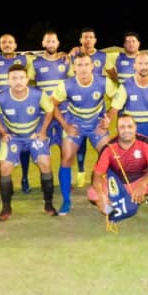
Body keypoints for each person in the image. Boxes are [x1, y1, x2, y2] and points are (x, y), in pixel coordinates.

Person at [0, 65, 58, 220]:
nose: (18, 81)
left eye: (21, 78)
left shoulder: (38, 94)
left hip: (33, 136)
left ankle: (48, 204)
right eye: (14, 78)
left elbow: (50, 110)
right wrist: (3, 132)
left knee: (45, 163)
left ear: (27, 79)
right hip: (13, 137)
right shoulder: (0, 97)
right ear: (8, 80)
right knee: (5, 167)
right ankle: (6, 207)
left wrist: (43, 131)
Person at [51, 53, 117, 215]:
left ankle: (108, 195)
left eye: (87, 65)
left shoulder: (104, 82)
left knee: (110, 157)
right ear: (74, 68)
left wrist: (107, 119)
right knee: (66, 158)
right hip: (75, 125)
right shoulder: (66, 84)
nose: (83, 69)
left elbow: (117, 100)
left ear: (92, 66)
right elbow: (52, 105)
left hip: (96, 125)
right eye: (79, 65)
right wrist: (65, 125)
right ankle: (66, 201)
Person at [105, 51, 148, 199]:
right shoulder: (126, 86)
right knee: (130, 162)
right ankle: (123, 190)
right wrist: (107, 121)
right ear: (135, 66)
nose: (144, 66)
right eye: (140, 63)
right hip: (131, 130)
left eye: (147, 63)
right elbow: (114, 108)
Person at [87, 114, 148, 232]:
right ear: (117, 129)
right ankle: (115, 212)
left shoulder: (145, 142)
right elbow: (97, 174)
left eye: (130, 126)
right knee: (93, 193)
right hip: (118, 183)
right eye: (122, 127)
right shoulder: (109, 147)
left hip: (140, 179)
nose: (126, 130)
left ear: (135, 128)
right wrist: (102, 196)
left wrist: (143, 183)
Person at [0, 33, 35, 193]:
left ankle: (25, 177)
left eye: (10, 42)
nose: (7, 44)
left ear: (15, 45)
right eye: (3, 42)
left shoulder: (24, 59)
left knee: (23, 145)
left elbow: (47, 58)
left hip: (20, 110)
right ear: (0, 45)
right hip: (0, 112)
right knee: (0, 147)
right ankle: (3, 179)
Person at [69, 27, 109, 187]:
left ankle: (98, 174)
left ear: (95, 40)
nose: (88, 40)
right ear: (80, 40)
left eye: (91, 37)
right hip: (78, 106)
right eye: (85, 37)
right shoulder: (73, 55)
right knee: (80, 142)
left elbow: (112, 74)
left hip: (97, 108)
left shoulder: (103, 56)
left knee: (102, 146)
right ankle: (80, 171)